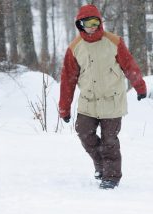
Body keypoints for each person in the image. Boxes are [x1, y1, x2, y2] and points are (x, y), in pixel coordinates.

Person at [58, 4, 147, 189]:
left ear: (100, 22)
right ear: (80, 25)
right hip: (88, 101)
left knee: (110, 142)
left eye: (94, 22)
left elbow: (129, 65)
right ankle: (101, 166)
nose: (91, 26)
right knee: (84, 134)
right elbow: (68, 79)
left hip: (112, 100)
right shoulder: (75, 48)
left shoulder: (114, 42)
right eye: (86, 23)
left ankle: (111, 177)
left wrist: (140, 86)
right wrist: (64, 107)